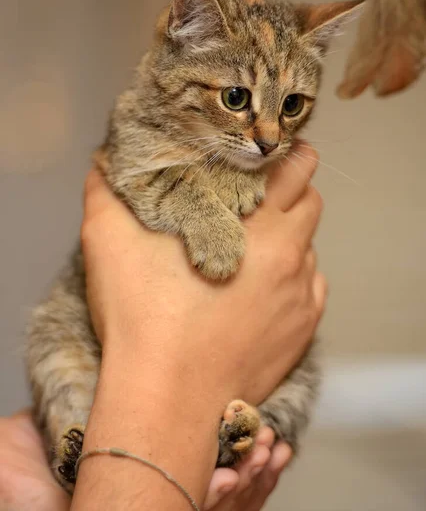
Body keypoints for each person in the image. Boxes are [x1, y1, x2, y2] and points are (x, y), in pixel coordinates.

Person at [0, 143, 326, 511]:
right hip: (99, 380)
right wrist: (157, 458)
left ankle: (226, 441)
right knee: (49, 334)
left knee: (298, 385)